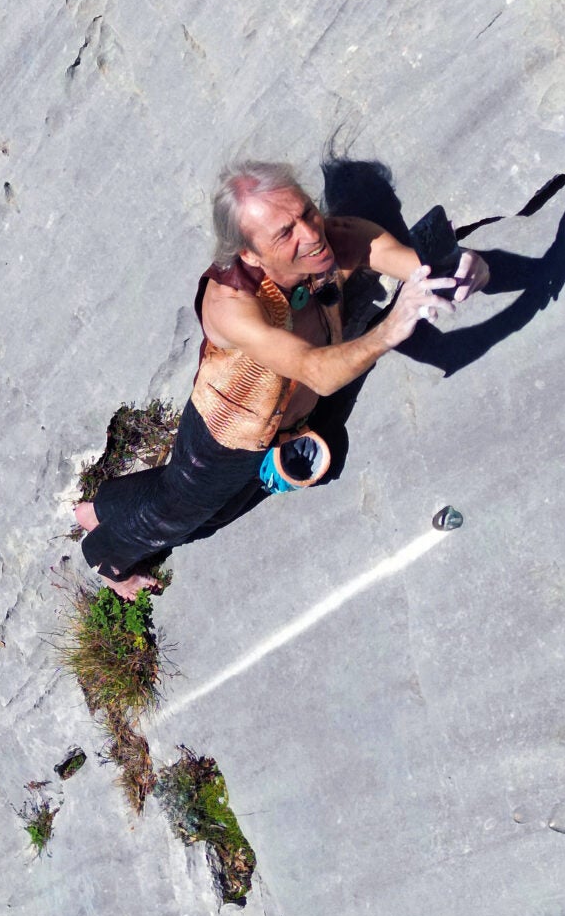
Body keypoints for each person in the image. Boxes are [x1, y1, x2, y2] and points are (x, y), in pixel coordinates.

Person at [74, 161, 490, 594]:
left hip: (287, 422)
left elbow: (417, 267)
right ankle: (105, 557)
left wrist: (465, 268)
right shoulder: (231, 304)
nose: (311, 235)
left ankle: (101, 506)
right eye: (285, 233)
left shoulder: (334, 240)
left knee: (208, 503)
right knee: (183, 512)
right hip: (227, 437)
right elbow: (317, 371)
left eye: (307, 213)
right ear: (249, 253)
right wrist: (390, 328)